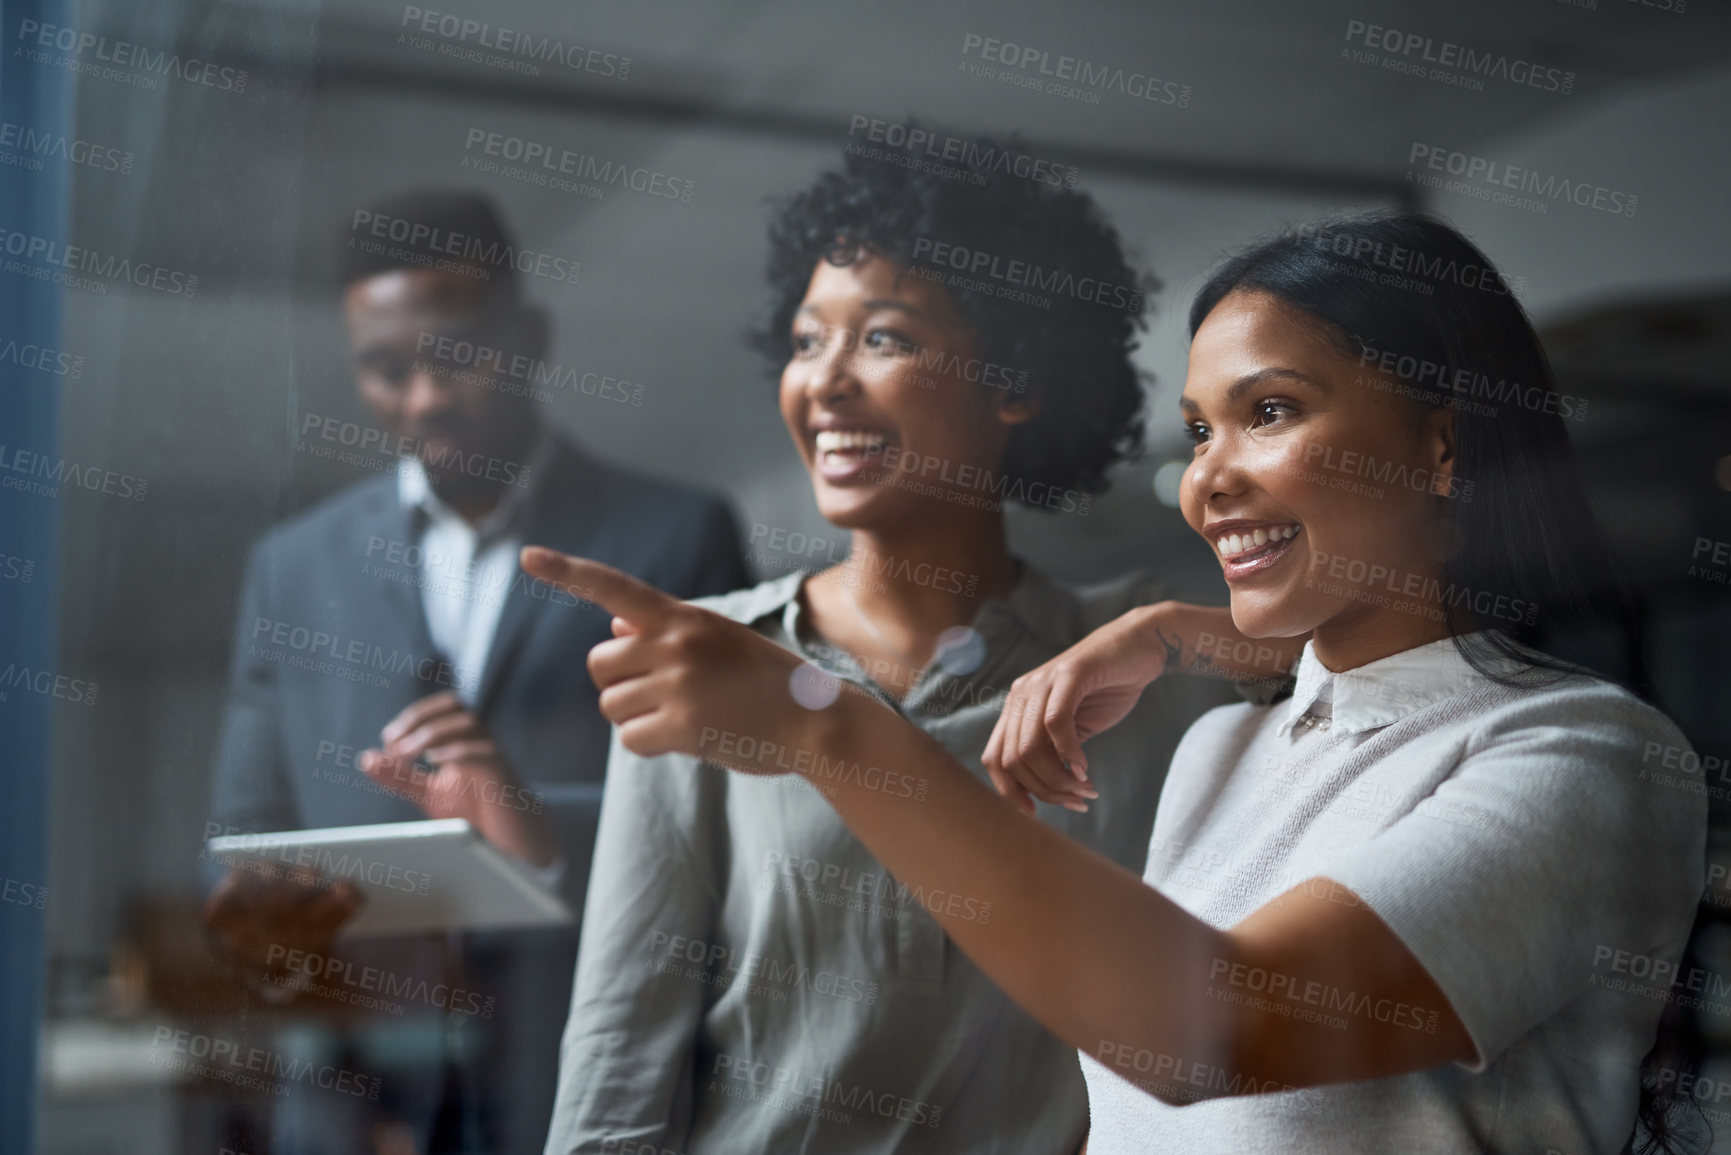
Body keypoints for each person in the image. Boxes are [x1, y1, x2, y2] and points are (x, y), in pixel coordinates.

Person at [523, 212, 1708, 1154]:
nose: (1208, 482)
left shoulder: (1590, 760)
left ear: (1442, 448)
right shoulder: (1223, 750)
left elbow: (1213, 1031)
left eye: (1271, 413)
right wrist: (1181, 633)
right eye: (1198, 433)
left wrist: (827, 728)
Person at [540, 138, 1293, 1155]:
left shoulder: (1131, 658)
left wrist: (1171, 633)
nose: (827, 383)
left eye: (882, 339)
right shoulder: (709, 659)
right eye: (808, 343)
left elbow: (1386, 677)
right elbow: (618, 1072)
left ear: (1013, 380)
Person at [203, 189, 748, 1155]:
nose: (421, 399)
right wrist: (259, 925)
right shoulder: (290, 568)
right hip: (351, 1104)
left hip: (587, 1081)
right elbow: (248, 836)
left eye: (455, 356)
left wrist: (536, 827)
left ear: (530, 337)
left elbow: (735, 820)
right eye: (383, 369)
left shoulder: (674, 541)